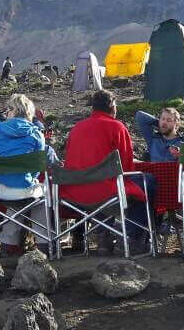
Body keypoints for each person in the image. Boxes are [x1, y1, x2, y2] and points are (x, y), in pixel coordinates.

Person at [62, 90, 155, 255]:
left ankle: (103, 236)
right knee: (147, 182)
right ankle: (130, 238)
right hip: (104, 192)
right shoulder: (117, 127)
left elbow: (69, 160)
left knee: (103, 183)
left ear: (93, 108)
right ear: (112, 107)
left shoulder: (77, 128)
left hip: (74, 194)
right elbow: (126, 167)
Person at [0, 94, 54, 256]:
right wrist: (25, 178)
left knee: (16, 200)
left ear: (13, 111)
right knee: (37, 197)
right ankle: (44, 244)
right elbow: (37, 167)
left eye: (8, 109)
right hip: (23, 187)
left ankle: (8, 244)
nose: (6, 113)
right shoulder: (37, 134)